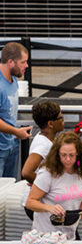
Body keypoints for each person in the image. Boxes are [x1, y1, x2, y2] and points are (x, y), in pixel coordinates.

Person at [26, 132, 82, 241]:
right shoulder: (47, 173)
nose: (68, 159)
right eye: (63, 155)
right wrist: (49, 207)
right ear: (57, 155)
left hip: (69, 236)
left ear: (78, 154)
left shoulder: (81, 173)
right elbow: (30, 202)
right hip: (46, 238)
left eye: (72, 155)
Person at [21, 101, 64, 220]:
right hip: (40, 203)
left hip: (46, 202)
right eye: (60, 118)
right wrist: (43, 185)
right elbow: (26, 172)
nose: (63, 120)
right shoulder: (44, 145)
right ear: (51, 124)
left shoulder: (47, 139)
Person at [0, 42, 32, 177]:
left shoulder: (13, 79)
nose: (27, 66)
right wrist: (15, 131)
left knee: (10, 186)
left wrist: (15, 133)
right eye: (23, 62)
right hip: (1, 148)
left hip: (11, 144)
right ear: (10, 62)